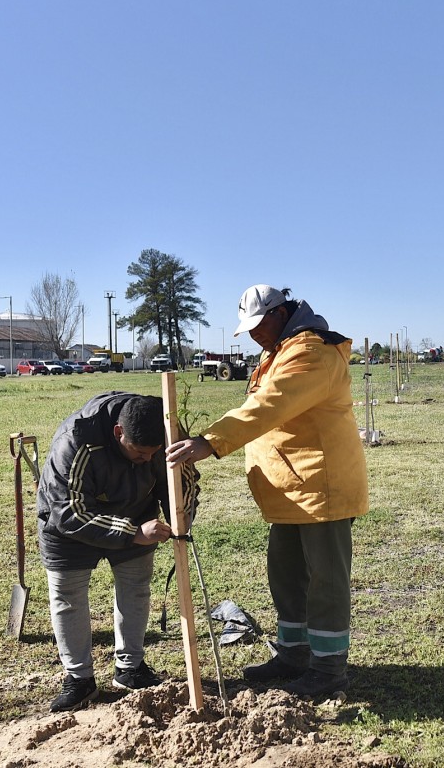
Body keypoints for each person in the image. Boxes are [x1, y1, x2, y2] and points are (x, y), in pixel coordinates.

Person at [166, 285, 368, 698]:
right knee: (286, 575)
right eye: (249, 329)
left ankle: (328, 670)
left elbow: (269, 405)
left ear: (280, 314)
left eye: (259, 325)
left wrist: (211, 441)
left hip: (320, 488)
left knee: (326, 581)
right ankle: (294, 654)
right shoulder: (277, 350)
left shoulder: (311, 352)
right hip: (291, 490)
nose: (255, 334)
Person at [37, 391, 176, 712]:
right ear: (118, 433)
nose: (147, 459)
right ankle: (79, 679)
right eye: (139, 452)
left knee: (136, 588)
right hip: (68, 524)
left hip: (136, 511)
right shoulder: (75, 442)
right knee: (68, 597)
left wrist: (181, 515)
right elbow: (69, 512)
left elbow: (178, 480)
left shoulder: (163, 429)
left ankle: (130, 669)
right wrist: (133, 533)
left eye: (153, 453)